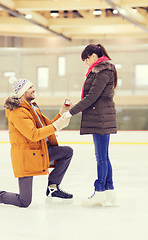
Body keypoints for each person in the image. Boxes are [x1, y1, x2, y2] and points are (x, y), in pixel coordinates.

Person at [0, 76, 73, 208]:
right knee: (24, 201)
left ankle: (53, 187)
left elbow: (47, 127)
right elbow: (33, 135)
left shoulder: (32, 107)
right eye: (30, 87)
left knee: (67, 152)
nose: (34, 89)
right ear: (22, 92)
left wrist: (61, 114)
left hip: (39, 152)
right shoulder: (17, 112)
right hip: (26, 157)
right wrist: (57, 126)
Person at [63, 44, 117, 207]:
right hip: (100, 116)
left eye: (86, 59)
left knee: (101, 157)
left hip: (100, 118)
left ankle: (99, 192)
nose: (86, 63)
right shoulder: (101, 70)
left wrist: (71, 112)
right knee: (104, 157)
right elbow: (93, 97)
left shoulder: (102, 71)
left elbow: (92, 97)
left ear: (94, 56)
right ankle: (110, 192)